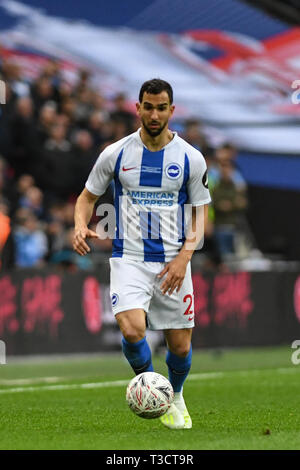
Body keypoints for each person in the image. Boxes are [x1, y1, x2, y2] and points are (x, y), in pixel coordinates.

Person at [73, 78, 211, 429]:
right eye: (148, 106)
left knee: (179, 346)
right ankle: (154, 391)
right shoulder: (116, 153)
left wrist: (183, 258)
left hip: (173, 262)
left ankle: (176, 394)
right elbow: (87, 196)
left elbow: (199, 212)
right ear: (137, 108)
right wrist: (79, 224)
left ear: (171, 111)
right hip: (129, 257)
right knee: (133, 329)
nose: (154, 113)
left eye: (161, 107)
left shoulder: (191, 158)